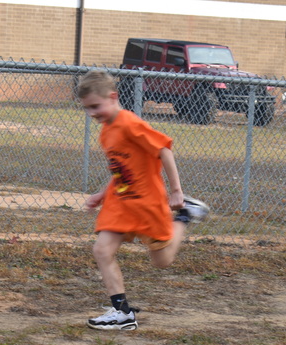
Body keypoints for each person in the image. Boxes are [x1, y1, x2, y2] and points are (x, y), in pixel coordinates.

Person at [77, 70, 210, 331]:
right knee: (102, 250)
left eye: (96, 106)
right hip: (120, 203)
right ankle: (122, 313)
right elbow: (121, 170)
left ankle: (185, 216)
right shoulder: (106, 132)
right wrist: (102, 194)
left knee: (161, 261)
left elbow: (163, 150)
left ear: (113, 97)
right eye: (87, 108)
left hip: (147, 203)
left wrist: (176, 191)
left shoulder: (129, 123)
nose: (92, 113)